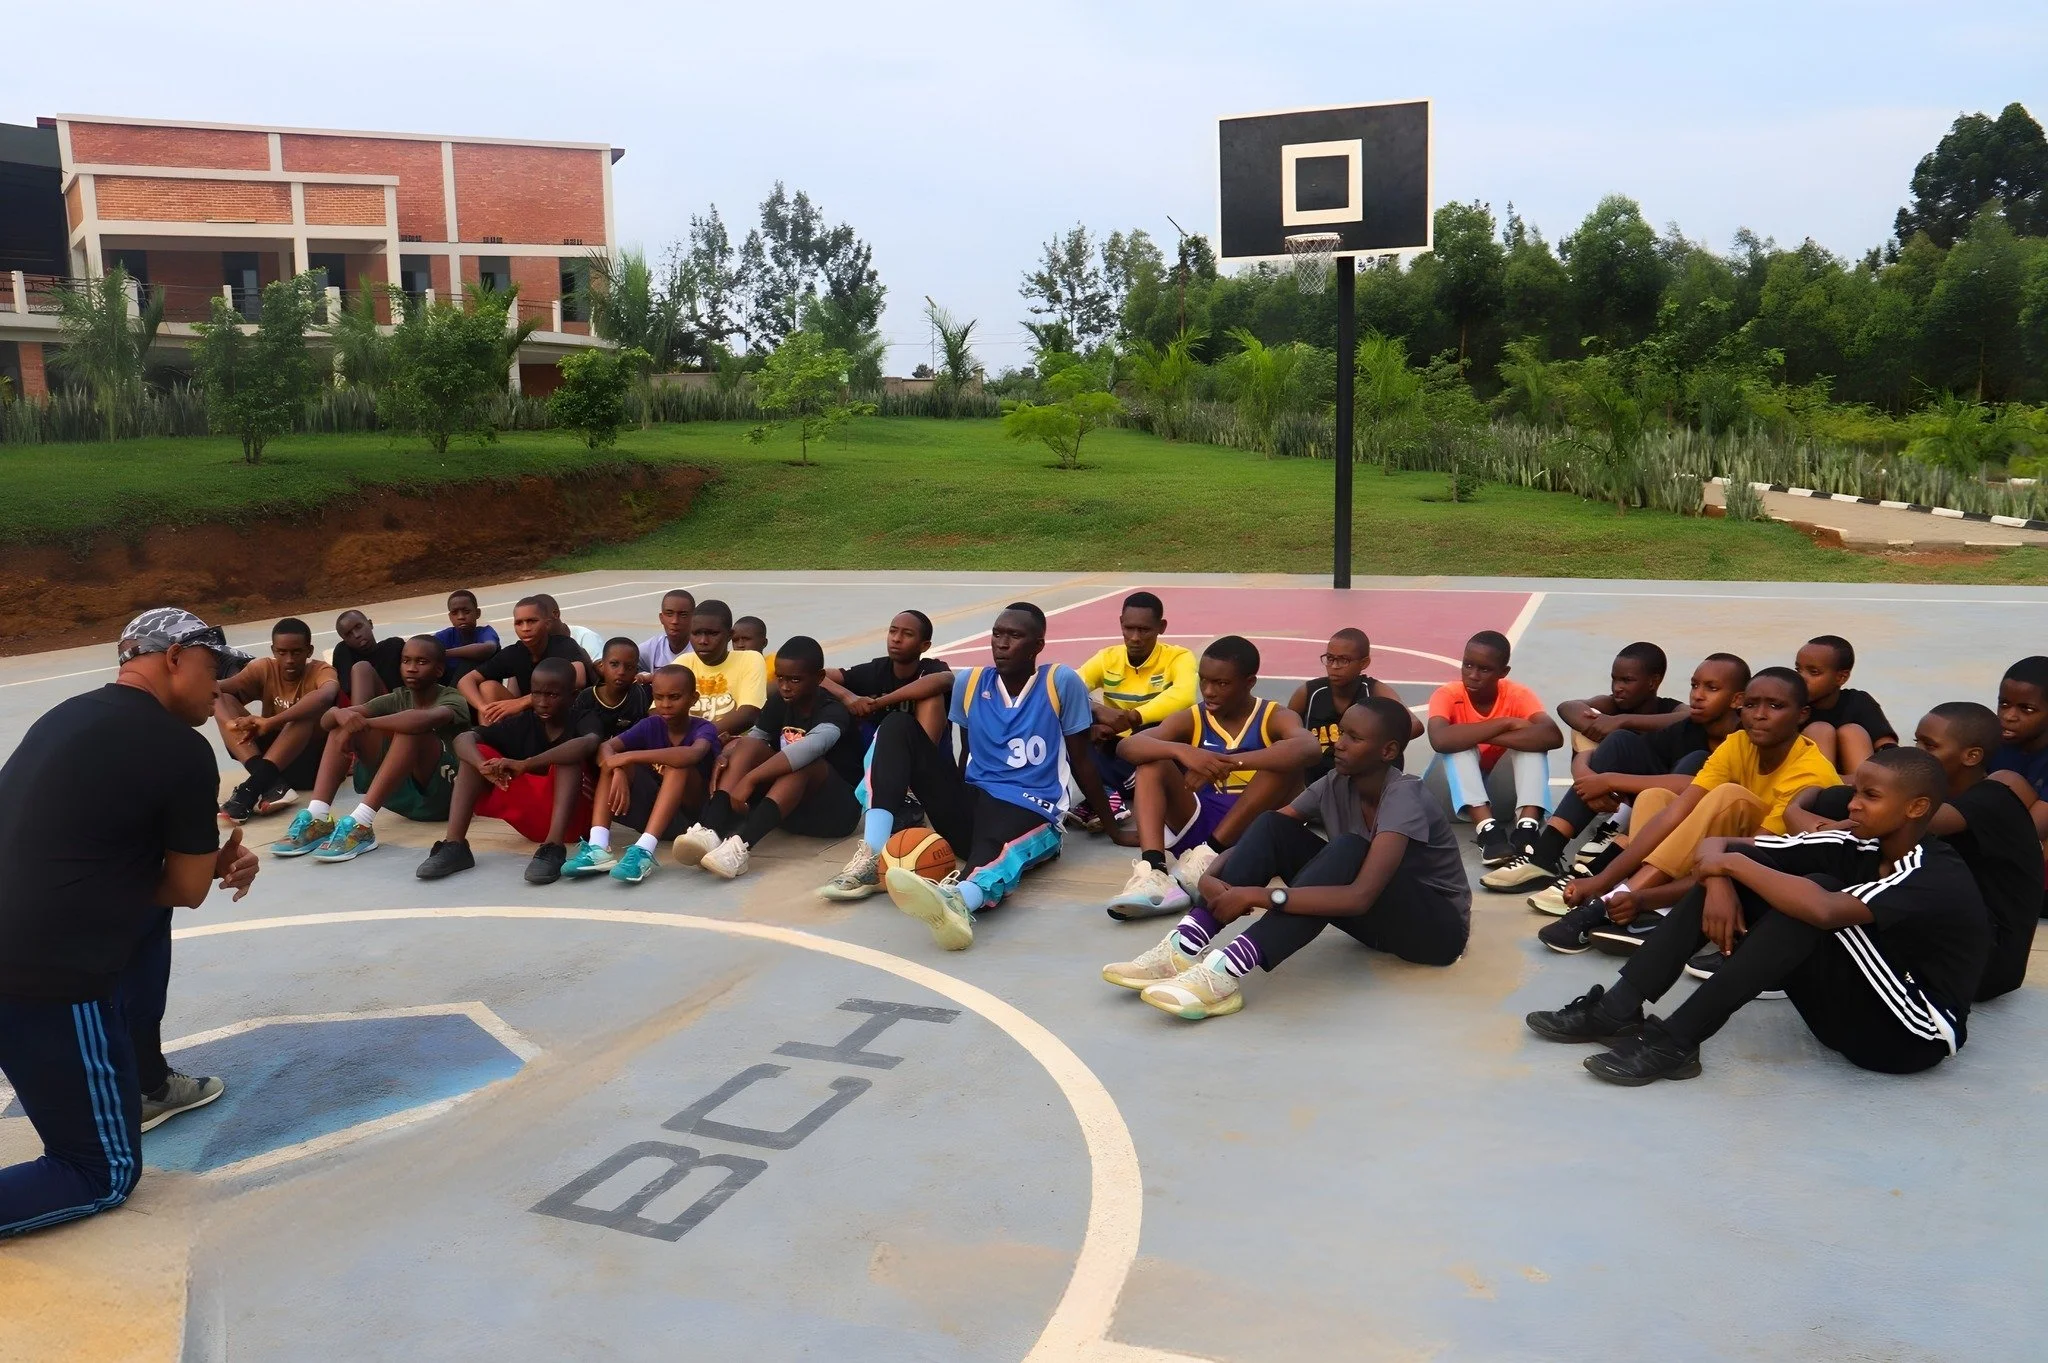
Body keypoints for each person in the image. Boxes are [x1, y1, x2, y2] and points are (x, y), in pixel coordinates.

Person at [0, 608, 257, 1238]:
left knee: (146, 922)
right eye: (211, 671)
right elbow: (188, 889)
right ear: (173, 660)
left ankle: (141, 1078)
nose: (218, 689)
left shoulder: (64, 716)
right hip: (39, 978)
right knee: (99, 1171)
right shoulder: (180, 750)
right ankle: (127, 1083)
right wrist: (213, 862)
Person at [1525, 747, 1990, 1086]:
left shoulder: (1931, 871)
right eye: (1855, 792)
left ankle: (1677, 1041)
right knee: (1764, 880)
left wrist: (1730, 869)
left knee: (1813, 896)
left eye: (1869, 796)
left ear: (1916, 808)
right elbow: (1719, 848)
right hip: (1848, 1012)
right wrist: (1721, 882)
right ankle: (1617, 1009)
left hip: (1908, 1035)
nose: (1851, 805)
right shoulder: (1857, 841)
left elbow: (1824, 910)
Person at [1105, 695, 1468, 1021]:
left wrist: (1258, 896)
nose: (1339, 745)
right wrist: (1211, 873)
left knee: (1349, 849)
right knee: (1273, 824)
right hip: (1376, 923)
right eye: (1341, 733)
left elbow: (1360, 896)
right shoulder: (1336, 782)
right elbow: (1269, 835)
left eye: (1354, 739)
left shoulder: (1404, 796)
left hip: (1434, 932)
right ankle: (1182, 947)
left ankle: (1223, 973)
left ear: (1388, 751)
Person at [818, 603, 1120, 951]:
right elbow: (964, 754)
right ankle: (872, 856)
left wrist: (1112, 828)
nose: (1002, 644)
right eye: (997, 634)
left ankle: (961, 900)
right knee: (897, 726)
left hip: (1032, 806)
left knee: (998, 849)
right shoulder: (972, 682)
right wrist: (953, 796)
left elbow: (1082, 760)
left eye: (1015, 636)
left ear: (1037, 645)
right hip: (976, 802)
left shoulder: (1060, 681)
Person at [1538, 667, 1839, 955]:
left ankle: (1623, 903)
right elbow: (1676, 812)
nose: (1759, 715)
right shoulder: (1738, 743)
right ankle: (1635, 899)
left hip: (1772, 873)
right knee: (1656, 797)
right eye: (1750, 704)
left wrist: (1640, 898)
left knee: (1729, 796)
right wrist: (1600, 879)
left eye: (1775, 705)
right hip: (1717, 859)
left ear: (1802, 715)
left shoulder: (1809, 774)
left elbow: (1753, 858)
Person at [1780, 702, 2039, 1001]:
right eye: (1916, 741)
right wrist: (1797, 808)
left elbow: (1903, 820)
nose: (1917, 753)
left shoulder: (1992, 799)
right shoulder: (1923, 791)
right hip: (1941, 930)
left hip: (1986, 962)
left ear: (1972, 756)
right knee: (1837, 810)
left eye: (1930, 746)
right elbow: (1831, 787)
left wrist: (1804, 819)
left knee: (1843, 858)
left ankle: (1785, 955)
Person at [1497, 653, 1749, 900]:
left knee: (1693, 762)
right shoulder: (1689, 728)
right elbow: (1573, 712)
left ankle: (1601, 875)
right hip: (1664, 812)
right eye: (1694, 685)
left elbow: (1695, 787)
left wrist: (1608, 781)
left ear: (1737, 699)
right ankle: (1544, 857)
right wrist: (1588, 775)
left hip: (1718, 830)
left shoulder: (1746, 736)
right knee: (1620, 741)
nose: (1698, 695)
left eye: (1711, 688)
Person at [1103, 636, 1320, 919]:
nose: (1209, 691)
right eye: (1203, 681)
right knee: (1151, 762)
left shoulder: (1274, 716)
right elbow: (1127, 747)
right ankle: (1155, 873)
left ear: (1249, 682)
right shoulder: (1194, 717)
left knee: (1283, 763)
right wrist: (1183, 752)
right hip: (1198, 827)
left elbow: (1308, 748)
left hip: (1252, 831)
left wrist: (1229, 763)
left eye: (1221, 683)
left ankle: (1208, 858)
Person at [675, 637, 867, 878]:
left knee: (804, 763)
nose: (785, 686)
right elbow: (755, 738)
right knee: (748, 744)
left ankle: (740, 847)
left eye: (795, 680)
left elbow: (809, 749)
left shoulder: (833, 711)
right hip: (785, 810)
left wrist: (750, 779)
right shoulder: (779, 701)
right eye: (781, 678)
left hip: (835, 813)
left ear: (819, 678)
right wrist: (726, 753)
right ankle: (710, 829)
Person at [270, 636, 472, 862]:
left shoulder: (453, 698)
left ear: (439, 670)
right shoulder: (398, 697)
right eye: (406, 661)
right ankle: (317, 817)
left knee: (410, 729)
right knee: (343, 726)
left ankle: (361, 824)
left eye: (421, 662)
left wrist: (364, 723)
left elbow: (420, 721)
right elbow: (327, 721)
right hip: (405, 795)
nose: (411, 668)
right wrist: (340, 714)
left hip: (444, 800)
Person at [419, 658, 601, 885]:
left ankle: (553, 848)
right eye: (536, 694)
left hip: (574, 821)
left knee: (567, 756)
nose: (542, 702)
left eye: (552, 695)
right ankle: (454, 845)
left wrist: (525, 764)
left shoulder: (585, 717)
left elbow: (589, 743)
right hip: (534, 818)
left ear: (573, 695)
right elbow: (464, 738)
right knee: (476, 753)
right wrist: (480, 765)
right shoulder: (524, 722)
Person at [563, 666, 720, 884]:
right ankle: (598, 847)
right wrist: (618, 769)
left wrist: (628, 758)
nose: (665, 704)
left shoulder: (703, 728)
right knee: (612, 763)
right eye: (659, 697)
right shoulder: (651, 724)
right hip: (653, 811)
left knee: (676, 764)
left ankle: (644, 850)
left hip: (689, 823)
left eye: (674, 697)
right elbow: (606, 748)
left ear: (694, 698)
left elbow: (693, 754)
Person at [1424, 630, 1564, 866]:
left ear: (1503, 672)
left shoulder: (1518, 695)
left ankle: (1527, 829)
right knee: (1457, 745)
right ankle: (1487, 832)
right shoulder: (1447, 694)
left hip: (1500, 802)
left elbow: (1552, 736)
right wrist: (1506, 724)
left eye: (1484, 669)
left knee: (1533, 744)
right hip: (1447, 801)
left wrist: (1488, 736)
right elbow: (1439, 740)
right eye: (1467, 665)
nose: (1473, 675)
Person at [1076, 592, 1198, 816]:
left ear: (1161, 627)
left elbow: (1184, 696)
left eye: (1144, 630)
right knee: (1072, 726)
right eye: (1129, 628)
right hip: (1115, 742)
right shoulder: (1107, 658)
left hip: (1154, 744)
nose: (1134, 637)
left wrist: (1132, 717)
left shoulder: (1179, 657)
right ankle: (1108, 793)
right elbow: (1068, 688)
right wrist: (1096, 711)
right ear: (1121, 623)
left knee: (1165, 725)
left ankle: (1102, 795)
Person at [213, 617, 339, 823]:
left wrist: (271, 722)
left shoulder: (321, 670)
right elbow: (216, 690)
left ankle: (250, 789)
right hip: (269, 759)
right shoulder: (263, 668)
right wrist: (229, 723)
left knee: (303, 714)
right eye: (282, 652)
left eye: (296, 652)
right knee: (223, 698)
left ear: (309, 650)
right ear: (273, 651)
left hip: (309, 765)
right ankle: (272, 785)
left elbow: (326, 695)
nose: (289, 659)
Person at [1287, 628, 1416, 784]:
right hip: (1318, 778)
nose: (1334, 666)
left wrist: (1369, 747)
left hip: (1362, 774)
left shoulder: (1375, 690)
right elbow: (1285, 734)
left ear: (1364, 663)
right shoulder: (1310, 693)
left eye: (1343, 660)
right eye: (1329, 658)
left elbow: (1414, 725)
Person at [822, 610, 953, 746]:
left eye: (907, 634)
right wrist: (848, 697)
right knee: (815, 689)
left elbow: (945, 680)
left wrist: (877, 704)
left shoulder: (931, 668)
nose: (896, 638)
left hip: (921, 755)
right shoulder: (876, 669)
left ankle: (921, 764)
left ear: (924, 646)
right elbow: (818, 676)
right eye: (892, 631)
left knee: (931, 697)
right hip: (879, 753)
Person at [460, 596, 592, 723]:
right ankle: (488, 741)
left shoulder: (564, 644)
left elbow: (578, 679)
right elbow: (466, 681)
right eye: (519, 623)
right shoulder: (514, 652)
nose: (525, 628)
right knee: (488, 687)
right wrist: (483, 707)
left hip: (562, 716)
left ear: (546, 623)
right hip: (529, 718)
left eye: (532, 621)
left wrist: (522, 702)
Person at [1554, 642, 1684, 755]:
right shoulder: (1611, 704)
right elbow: (1567, 706)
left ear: (1653, 682)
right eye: (1614, 679)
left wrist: (1622, 721)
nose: (1617, 688)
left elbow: (1692, 715)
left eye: (1627, 680)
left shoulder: (1668, 708)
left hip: (1655, 778)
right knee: (1582, 734)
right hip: (1611, 772)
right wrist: (1598, 727)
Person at [1795, 634, 1895, 774]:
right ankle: (1825, 787)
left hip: (1857, 784)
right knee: (1820, 730)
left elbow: (1888, 747)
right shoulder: (1792, 706)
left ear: (1841, 677)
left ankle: (1862, 788)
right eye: (1798, 670)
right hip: (1809, 784)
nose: (1801, 678)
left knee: (1852, 732)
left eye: (1813, 672)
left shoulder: (1859, 701)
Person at [681, 599, 768, 738]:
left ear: (729, 635)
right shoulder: (683, 662)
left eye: (713, 633)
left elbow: (748, 714)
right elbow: (657, 710)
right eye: (696, 633)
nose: (703, 641)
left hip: (731, 741)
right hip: (685, 743)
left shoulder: (750, 659)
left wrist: (698, 737)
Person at [1988, 655, 2048, 840]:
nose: (2009, 716)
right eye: (2004, 704)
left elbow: (2031, 833)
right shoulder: (1990, 742)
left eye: (2027, 709)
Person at [570, 637, 652, 742]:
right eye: (614, 664)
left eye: (629, 667)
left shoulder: (638, 694)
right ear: (602, 665)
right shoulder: (586, 697)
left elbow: (641, 736)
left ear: (636, 670)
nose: (621, 672)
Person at [332, 609, 404, 706]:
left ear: (370, 624)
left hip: (397, 706)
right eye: (349, 634)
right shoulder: (344, 652)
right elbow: (346, 689)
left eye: (359, 627)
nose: (357, 635)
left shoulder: (395, 646)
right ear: (344, 640)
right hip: (365, 711)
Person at [433, 589, 500, 685]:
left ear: (477, 613)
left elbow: (489, 647)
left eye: (466, 612)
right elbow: (427, 651)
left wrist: (444, 653)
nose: (461, 617)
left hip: (480, 686)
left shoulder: (485, 632)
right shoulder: (443, 636)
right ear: (450, 617)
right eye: (455, 613)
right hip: (447, 686)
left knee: (470, 660)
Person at [534, 592, 607, 663]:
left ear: (556, 614)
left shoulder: (585, 637)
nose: (528, 627)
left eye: (535, 620)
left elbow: (603, 669)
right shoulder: (537, 643)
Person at [638, 589, 696, 674]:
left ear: (694, 618)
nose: (675, 621)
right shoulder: (650, 649)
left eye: (683, 615)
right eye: (669, 614)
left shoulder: (702, 649)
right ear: (661, 618)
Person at [732, 615, 777, 681]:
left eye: (746, 639)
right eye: (735, 640)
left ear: (764, 643)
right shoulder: (729, 668)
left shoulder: (776, 666)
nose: (740, 645)